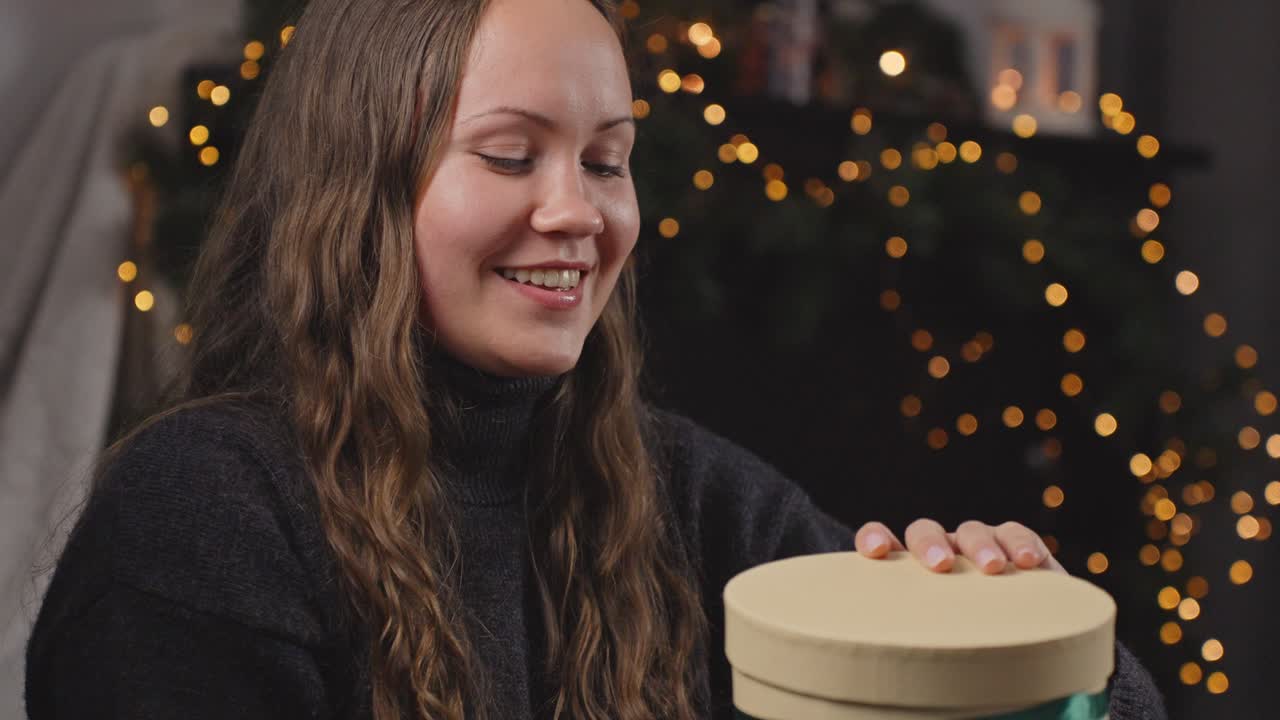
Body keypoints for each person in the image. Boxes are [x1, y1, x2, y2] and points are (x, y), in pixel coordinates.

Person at [23, 0, 1168, 718]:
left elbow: (1114, 703)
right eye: (511, 155)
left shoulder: (680, 492)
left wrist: (1023, 651)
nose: (579, 213)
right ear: (355, 190)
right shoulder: (201, 519)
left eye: (608, 160)